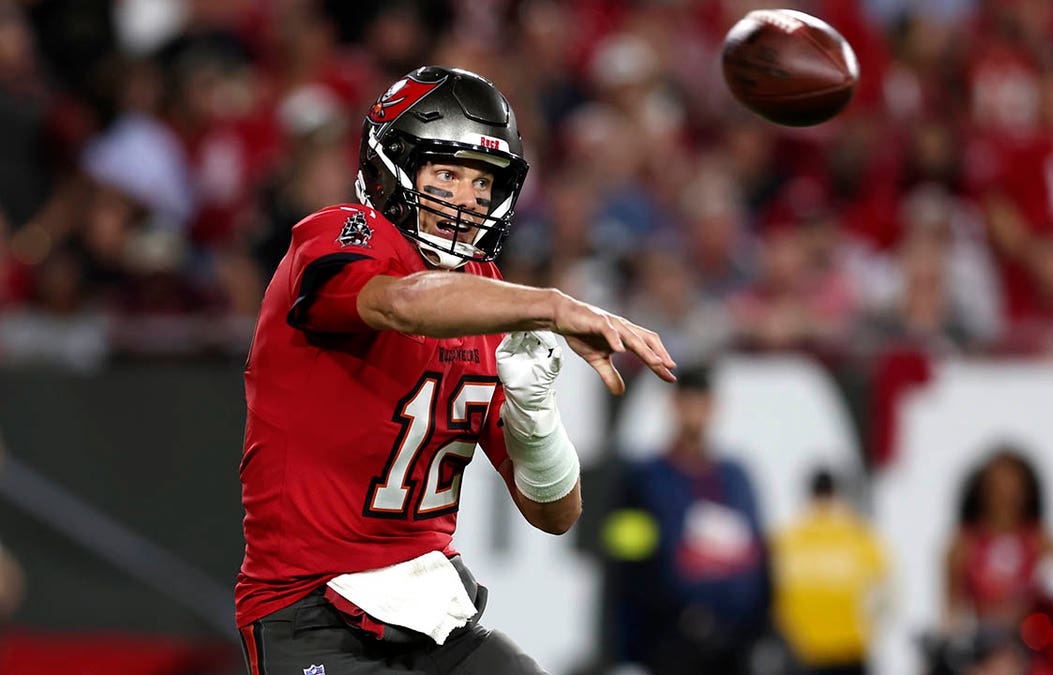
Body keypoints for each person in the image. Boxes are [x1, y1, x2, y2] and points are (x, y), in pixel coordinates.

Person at [235, 66, 676, 675]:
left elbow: (555, 514)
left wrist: (535, 417)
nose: (467, 199)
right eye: (447, 172)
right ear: (393, 169)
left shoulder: (486, 297)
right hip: (311, 609)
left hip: (432, 607)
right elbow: (403, 304)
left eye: (482, 181)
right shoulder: (338, 235)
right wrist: (553, 303)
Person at [606, 366, 771, 675]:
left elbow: (759, 560)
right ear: (674, 406)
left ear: (714, 408)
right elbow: (625, 568)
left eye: (702, 403)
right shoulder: (644, 480)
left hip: (733, 648)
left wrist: (762, 635)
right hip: (668, 646)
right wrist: (626, 651)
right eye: (688, 403)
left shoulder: (736, 479)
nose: (695, 413)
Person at [943, 448, 1053, 674]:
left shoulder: (1037, 539)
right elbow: (951, 614)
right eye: (997, 485)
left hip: (1032, 649)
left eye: (1013, 484)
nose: (1005, 493)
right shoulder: (963, 545)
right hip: (986, 650)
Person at [771, 468, 890, 675]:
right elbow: (884, 593)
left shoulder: (789, 537)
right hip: (848, 648)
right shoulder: (858, 534)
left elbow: (773, 589)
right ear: (836, 494)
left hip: (806, 651)